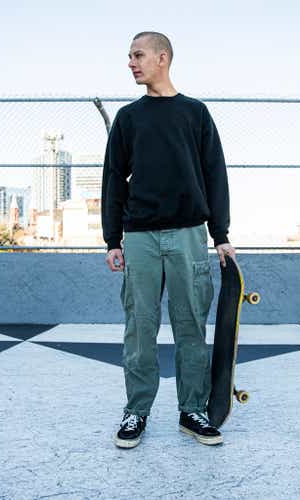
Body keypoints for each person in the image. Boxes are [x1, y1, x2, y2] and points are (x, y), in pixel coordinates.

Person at [101, 31, 235, 448]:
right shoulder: (128, 117)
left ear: (163, 58)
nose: (131, 63)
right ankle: (135, 412)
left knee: (190, 326)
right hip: (139, 236)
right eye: (129, 56)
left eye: (137, 55)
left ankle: (192, 411)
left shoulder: (195, 113)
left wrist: (221, 235)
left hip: (189, 234)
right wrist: (113, 239)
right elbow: (113, 179)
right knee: (140, 329)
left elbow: (215, 174)